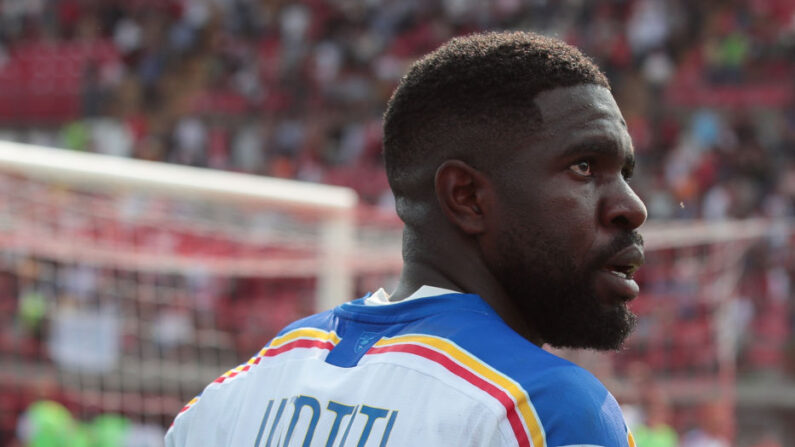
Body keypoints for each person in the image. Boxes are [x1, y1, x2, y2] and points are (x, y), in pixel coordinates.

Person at [166, 31, 647, 447]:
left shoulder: (241, 391)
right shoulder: (542, 408)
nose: (632, 206)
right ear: (467, 197)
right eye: (584, 167)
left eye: (626, 173)